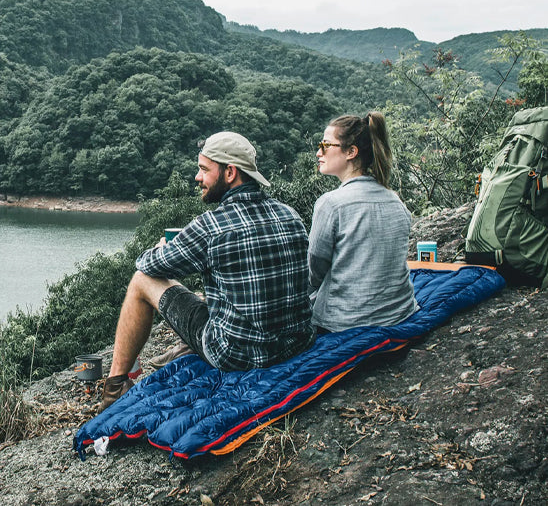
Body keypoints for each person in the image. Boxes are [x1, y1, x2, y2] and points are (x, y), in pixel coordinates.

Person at [100, 131, 316, 412]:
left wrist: (159, 248)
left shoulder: (210, 226)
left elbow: (148, 265)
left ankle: (115, 387)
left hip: (236, 355)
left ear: (230, 173)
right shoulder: (291, 215)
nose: (197, 177)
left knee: (141, 281)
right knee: (212, 296)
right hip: (295, 345)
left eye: (203, 169)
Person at [308, 113, 418, 333]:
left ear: (351, 152)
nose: (319, 152)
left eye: (326, 145)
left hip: (345, 322)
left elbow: (314, 271)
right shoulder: (395, 200)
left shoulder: (332, 204)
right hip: (400, 313)